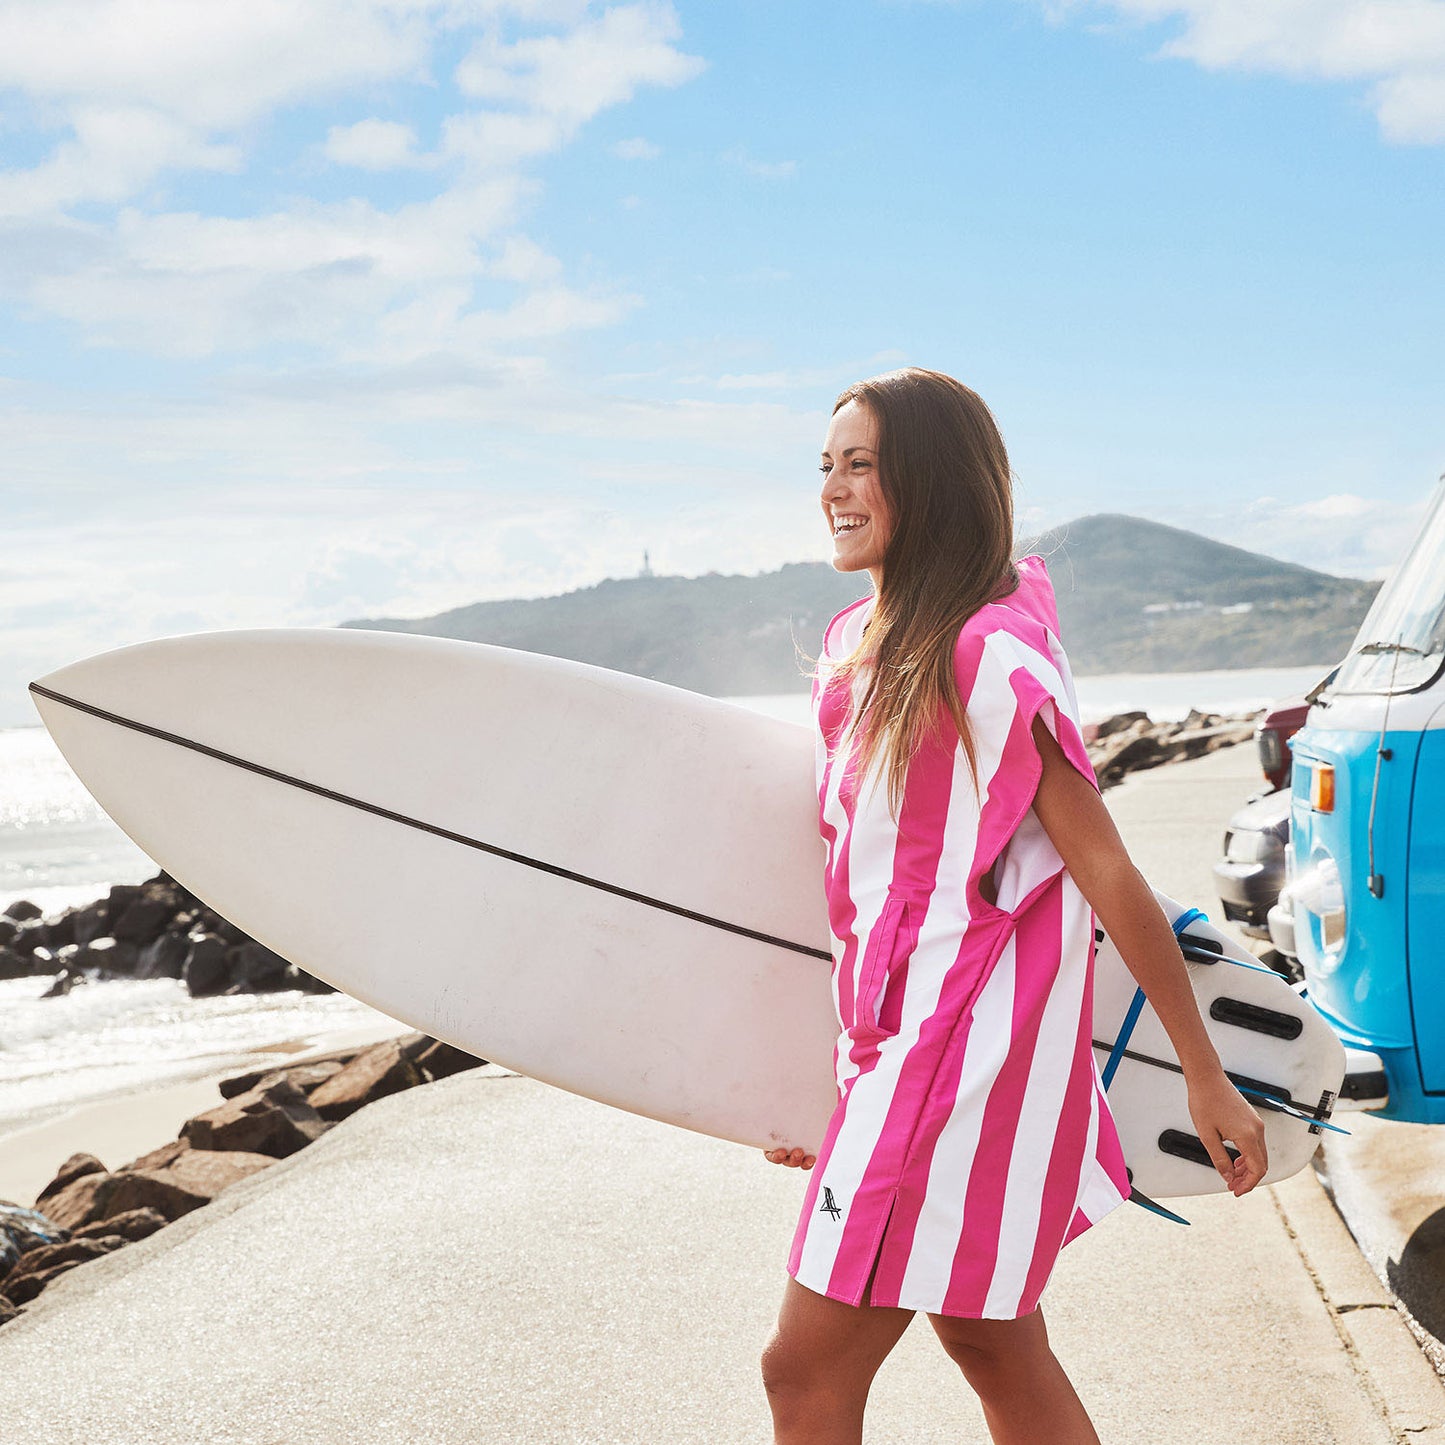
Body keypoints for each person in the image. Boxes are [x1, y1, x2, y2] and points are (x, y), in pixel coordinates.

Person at [758, 368, 1267, 1445]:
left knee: (802, 1371)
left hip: (957, 1058)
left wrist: (1204, 1070)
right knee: (991, 1340)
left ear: (930, 483)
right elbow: (865, 896)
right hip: (901, 1053)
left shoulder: (985, 653)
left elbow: (1106, 869)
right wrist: (834, 1079)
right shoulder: (858, 645)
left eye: (862, 464)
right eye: (826, 464)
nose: (833, 488)